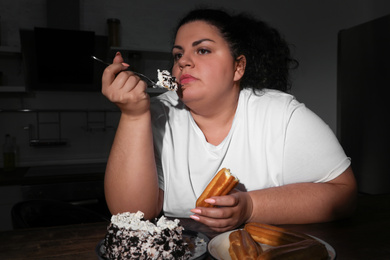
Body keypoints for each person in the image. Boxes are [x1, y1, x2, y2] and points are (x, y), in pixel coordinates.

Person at [102, 8, 357, 232]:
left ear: (238, 67)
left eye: (202, 50)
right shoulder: (156, 115)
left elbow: (344, 194)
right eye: (178, 55)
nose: (183, 63)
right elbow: (131, 216)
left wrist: (251, 206)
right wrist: (133, 116)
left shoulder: (281, 115)